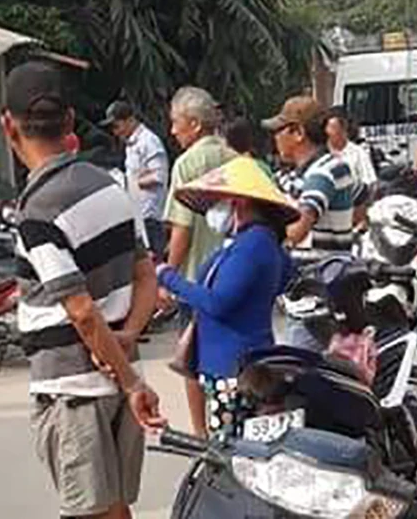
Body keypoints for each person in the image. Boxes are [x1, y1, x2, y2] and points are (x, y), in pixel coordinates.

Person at [0, 62, 164, 519]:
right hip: (119, 370)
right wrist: (127, 340)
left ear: (8, 125)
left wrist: (131, 383)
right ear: (70, 121)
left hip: (72, 387)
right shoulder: (110, 187)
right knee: (115, 509)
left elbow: (82, 311)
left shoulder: (37, 211)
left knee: (88, 512)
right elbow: (146, 275)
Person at [157, 156, 296, 438]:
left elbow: (218, 302)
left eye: (218, 201)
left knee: (230, 447)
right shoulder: (257, 242)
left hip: (232, 368)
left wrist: (168, 277)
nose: (213, 209)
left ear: (238, 202)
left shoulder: (252, 245)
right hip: (239, 362)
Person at [162, 86, 237, 437]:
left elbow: (183, 229)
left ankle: (200, 433)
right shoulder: (234, 158)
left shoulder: (187, 164)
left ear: (194, 124)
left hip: (195, 281)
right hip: (234, 274)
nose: (172, 130)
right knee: (229, 357)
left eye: (176, 122)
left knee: (192, 358)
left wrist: (167, 275)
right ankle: (230, 425)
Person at [264, 96, 365, 350]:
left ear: (298, 133)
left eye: (279, 131)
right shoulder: (330, 167)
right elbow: (362, 198)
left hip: (316, 298)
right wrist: (341, 231)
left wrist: (270, 227)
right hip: (325, 287)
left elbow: (297, 231)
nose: (275, 138)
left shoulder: (321, 174)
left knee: (302, 367)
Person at [103, 100, 170, 257]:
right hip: (138, 213)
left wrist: (130, 183)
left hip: (151, 215)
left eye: (117, 126)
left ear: (130, 120)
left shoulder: (148, 141)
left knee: (155, 260)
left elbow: (159, 176)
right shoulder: (131, 144)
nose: (115, 132)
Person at [324, 108, 377, 195]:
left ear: (343, 130)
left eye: (333, 127)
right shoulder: (321, 154)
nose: (328, 131)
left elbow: (370, 183)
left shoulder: (358, 153)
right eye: (327, 127)